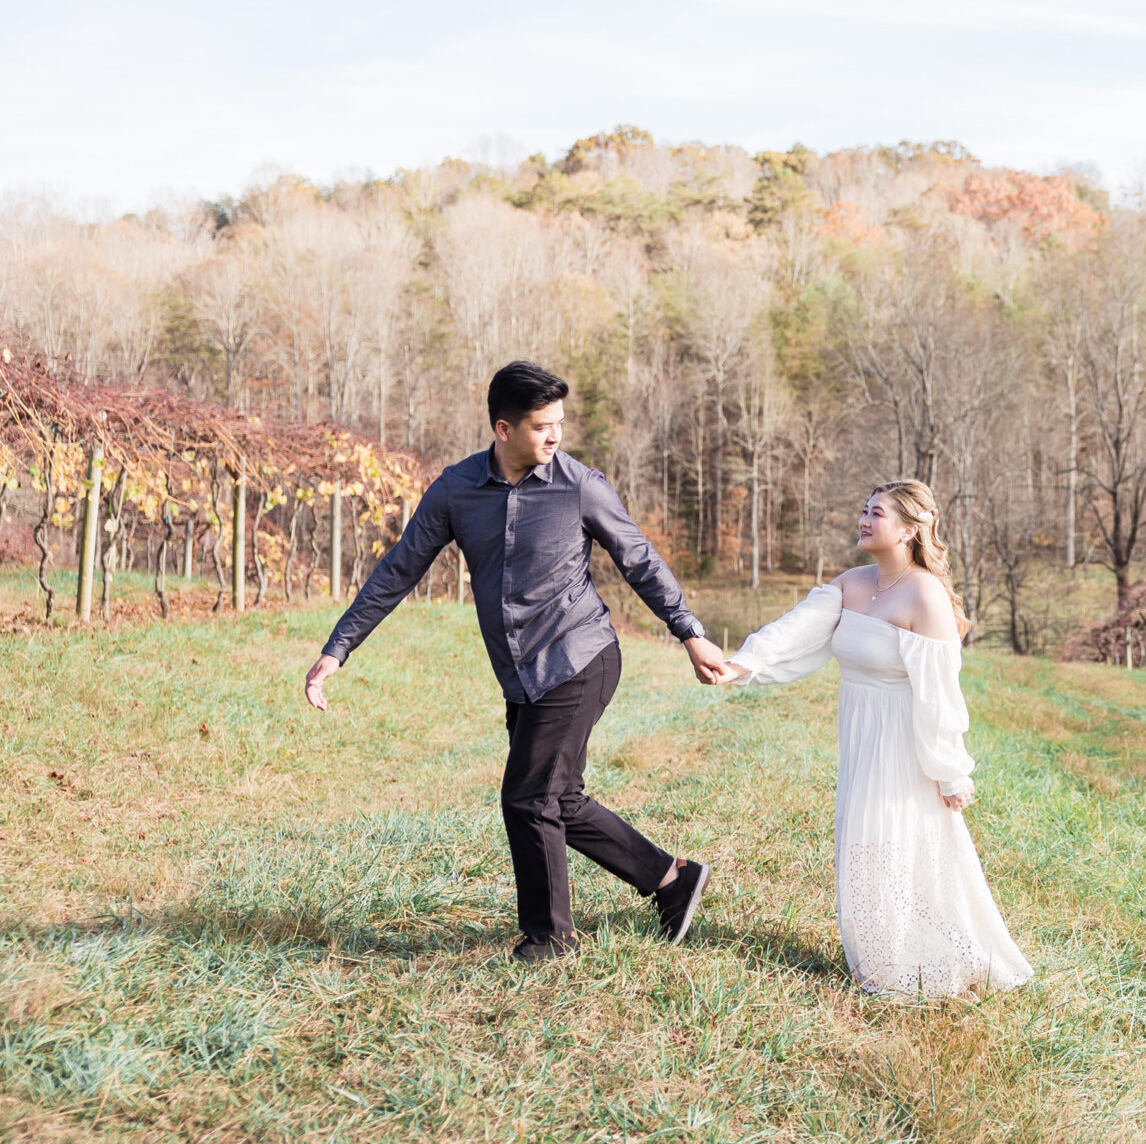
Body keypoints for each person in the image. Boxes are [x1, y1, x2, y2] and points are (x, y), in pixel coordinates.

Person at [302, 360, 723, 963]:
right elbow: (399, 569)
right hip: (521, 672)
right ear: (503, 429)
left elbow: (640, 560)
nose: (554, 437)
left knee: (527, 797)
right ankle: (671, 879)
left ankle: (549, 939)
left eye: (559, 424)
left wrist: (690, 633)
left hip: (580, 657)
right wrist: (336, 649)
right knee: (558, 797)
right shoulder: (456, 490)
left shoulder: (579, 485)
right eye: (541, 426)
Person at [711, 478, 1032, 998]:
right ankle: (881, 961)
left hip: (904, 745)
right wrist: (739, 664)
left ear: (908, 530)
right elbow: (794, 631)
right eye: (864, 509)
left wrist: (949, 770)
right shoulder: (853, 583)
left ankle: (930, 962)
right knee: (862, 847)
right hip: (861, 735)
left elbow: (940, 697)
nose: (864, 518)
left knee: (901, 846)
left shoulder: (925, 595)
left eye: (876, 513)